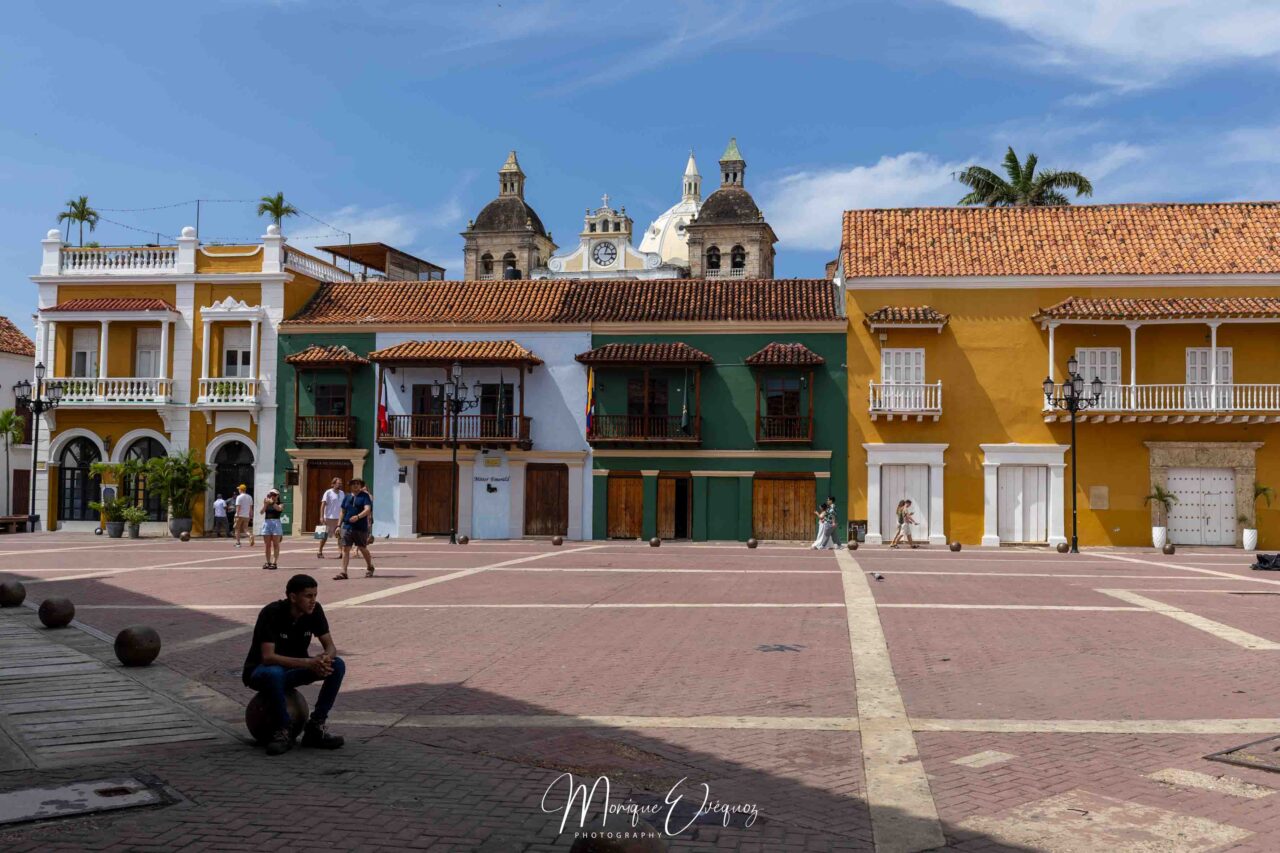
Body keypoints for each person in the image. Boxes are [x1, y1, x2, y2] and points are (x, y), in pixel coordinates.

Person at [242, 573, 345, 756]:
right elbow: (268, 657)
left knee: (337, 665)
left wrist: (325, 659)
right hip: (261, 672)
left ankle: (316, 726)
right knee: (275, 672)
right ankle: (283, 730)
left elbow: (330, 646)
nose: (313, 601)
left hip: (294, 670)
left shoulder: (315, 611)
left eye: (315, 595)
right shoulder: (272, 613)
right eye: (308, 596)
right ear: (293, 597)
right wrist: (308, 662)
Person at [334, 479, 374, 580]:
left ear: (360, 486)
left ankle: (370, 566)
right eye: (353, 484)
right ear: (350, 486)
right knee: (345, 549)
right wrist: (338, 525)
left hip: (360, 527)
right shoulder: (347, 497)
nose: (356, 485)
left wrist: (358, 516)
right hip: (347, 526)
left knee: (362, 548)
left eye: (358, 484)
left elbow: (367, 509)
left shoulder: (364, 496)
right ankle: (344, 572)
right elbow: (342, 512)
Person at [317, 478, 345, 559]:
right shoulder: (328, 492)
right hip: (328, 517)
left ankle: (340, 552)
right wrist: (321, 517)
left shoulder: (342, 493)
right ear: (333, 484)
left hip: (339, 518)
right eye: (338, 483)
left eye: (341, 483)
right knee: (324, 536)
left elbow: (344, 506)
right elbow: (323, 505)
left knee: (340, 536)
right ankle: (319, 551)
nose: (340, 485)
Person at [261, 489, 284, 571]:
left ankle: (274, 563)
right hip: (267, 522)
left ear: (277, 496)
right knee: (267, 545)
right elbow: (261, 512)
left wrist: (272, 503)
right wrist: (265, 504)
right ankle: (268, 562)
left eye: (274, 495)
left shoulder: (280, 504)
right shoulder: (267, 503)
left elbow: (279, 509)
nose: (272, 496)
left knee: (275, 544)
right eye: (271, 494)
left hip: (276, 523)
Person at [233, 484, 255, 548]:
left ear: (241, 490)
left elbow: (238, 507)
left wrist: (237, 515)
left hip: (240, 515)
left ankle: (238, 543)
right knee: (245, 528)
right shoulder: (249, 497)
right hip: (246, 515)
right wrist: (251, 515)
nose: (238, 490)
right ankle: (250, 535)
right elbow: (251, 508)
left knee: (237, 529)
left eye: (239, 489)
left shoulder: (239, 497)